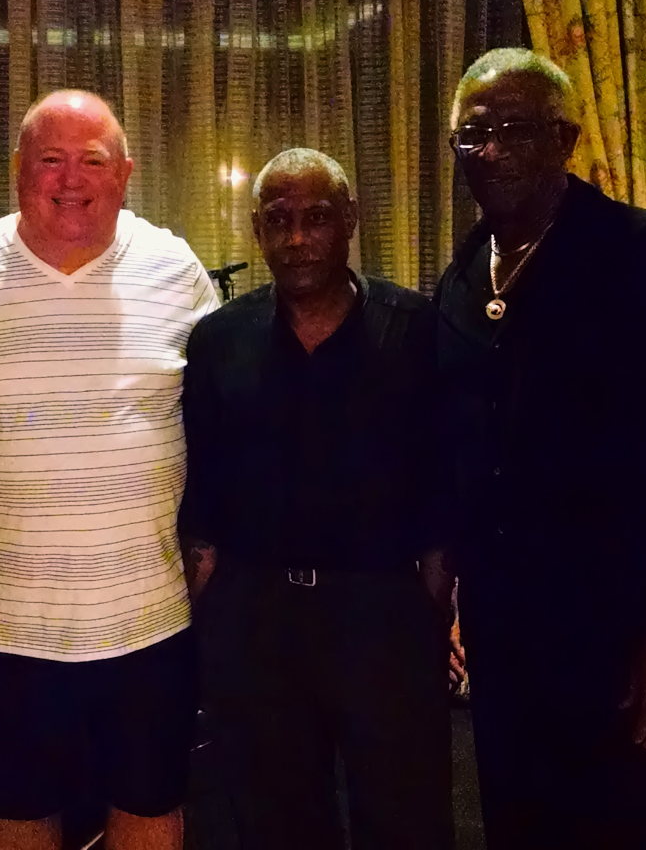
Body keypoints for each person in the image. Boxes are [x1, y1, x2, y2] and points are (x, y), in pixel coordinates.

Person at [0, 90, 218, 850]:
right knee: (17, 820)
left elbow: (227, 417)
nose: (70, 179)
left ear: (125, 174)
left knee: (149, 812)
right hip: (3, 632)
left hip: (148, 625)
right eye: (49, 159)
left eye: (91, 160)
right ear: (17, 170)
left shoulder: (177, 270)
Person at [437, 47, 646, 849]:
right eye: (475, 134)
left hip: (620, 638)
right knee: (514, 825)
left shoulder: (643, 255)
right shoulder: (462, 278)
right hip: (505, 643)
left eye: (516, 130)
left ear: (565, 139)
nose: (493, 151)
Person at [180, 148, 455, 850]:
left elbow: (441, 480)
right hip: (258, 623)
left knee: (406, 820)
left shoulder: (415, 328)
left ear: (351, 220)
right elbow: (203, 498)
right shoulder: (217, 341)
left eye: (317, 218)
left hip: (382, 619)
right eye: (278, 220)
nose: (297, 238)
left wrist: (433, 611)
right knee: (277, 823)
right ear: (257, 230)